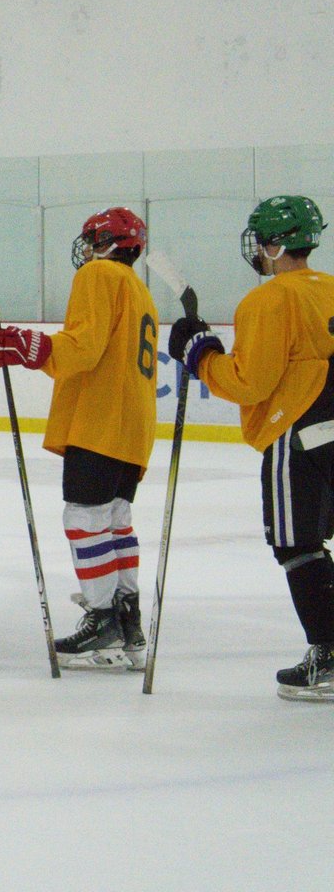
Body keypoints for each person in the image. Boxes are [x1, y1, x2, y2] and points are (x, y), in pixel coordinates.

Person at [168, 196, 334, 700]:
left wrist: (200, 354)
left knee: (297, 545)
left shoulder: (268, 299)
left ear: (276, 243)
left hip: (297, 434)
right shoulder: (329, 288)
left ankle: (328, 657)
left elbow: (250, 383)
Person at [0, 206, 157, 668]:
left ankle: (101, 618)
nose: (86, 249)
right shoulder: (138, 288)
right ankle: (128, 624)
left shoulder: (99, 276)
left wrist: (33, 347)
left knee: (84, 519)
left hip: (100, 420)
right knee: (115, 519)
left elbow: (84, 346)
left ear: (107, 242)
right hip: (133, 425)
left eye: (91, 239)